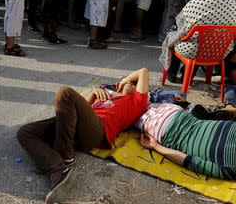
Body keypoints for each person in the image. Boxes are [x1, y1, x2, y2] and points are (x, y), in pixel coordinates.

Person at [18, 68, 149, 203]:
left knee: (65, 92)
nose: (130, 84)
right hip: (73, 129)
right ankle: (57, 169)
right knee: (25, 132)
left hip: (97, 132)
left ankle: (65, 154)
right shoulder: (110, 96)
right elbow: (73, 111)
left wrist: (125, 79)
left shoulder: (137, 103)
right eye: (130, 82)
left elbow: (143, 71)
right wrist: (93, 95)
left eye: (134, 84)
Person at [137, 99, 236, 183]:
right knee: (131, 110)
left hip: (175, 112)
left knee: (140, 100)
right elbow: (188, 160)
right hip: (160, 131)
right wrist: (156, 146)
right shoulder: (233, 171)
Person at [160, 0, 236, 82]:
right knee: (202, 40)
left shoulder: (195, 4)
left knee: (176, 37)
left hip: (195, 50)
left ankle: (172, 75)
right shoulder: (232, 4)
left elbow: (182, 28)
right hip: (221, 50)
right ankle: (188, 76)